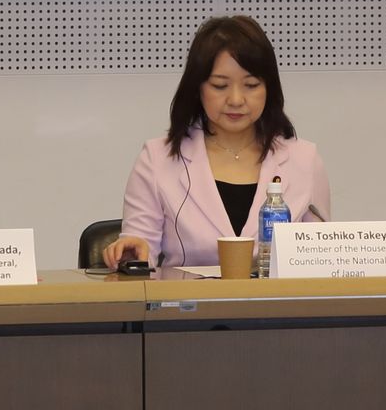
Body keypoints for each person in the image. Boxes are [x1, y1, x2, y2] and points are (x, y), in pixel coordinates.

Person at [104, 15, 331, 272]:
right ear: (198, 89)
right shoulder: (158, 159)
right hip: (188, 308)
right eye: (220, 86)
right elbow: (140, 248)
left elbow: (318, 259)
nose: (236, 99)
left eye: (251, 85)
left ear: (269, 88)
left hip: (278, 307)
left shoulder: (304, 160)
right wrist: (133, 251)